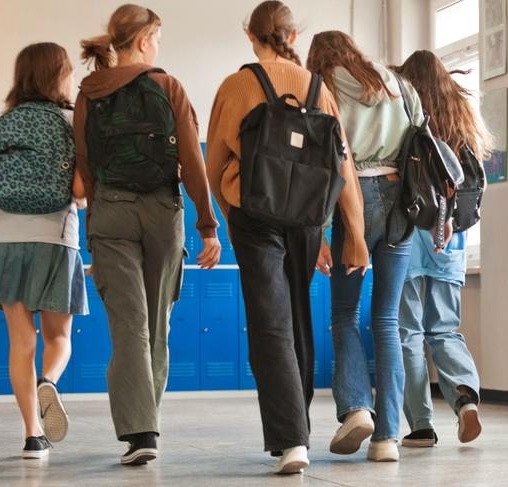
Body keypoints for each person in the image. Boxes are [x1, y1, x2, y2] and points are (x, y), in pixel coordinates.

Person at [206, 1, 369, 474]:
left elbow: (214, 161)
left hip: (254, 213)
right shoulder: (318, 88)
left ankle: (290, 440)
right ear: (293, 37)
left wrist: (225, 208)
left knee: (269, 323)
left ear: (250, 36)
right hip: (306, 217)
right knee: (298, 316)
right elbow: (343, 167)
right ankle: (297, 432)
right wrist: (353, 233)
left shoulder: (237, 85)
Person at [75, 3, 221, 465]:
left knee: (128, 326)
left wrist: (93, 230)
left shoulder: (88, 92)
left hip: (110, 214)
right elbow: (194, 166)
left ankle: (141, 433)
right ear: (144, 41)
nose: (157, 47)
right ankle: (145, 427)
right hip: (162, 210)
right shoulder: (168, 85)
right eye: (156, 38)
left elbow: (86, 167)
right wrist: (208, 225)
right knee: (156, 323)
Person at [307, 31, 423, 462]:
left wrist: (319, 232)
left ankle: (357, 408)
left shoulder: (324, 87)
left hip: (349, 203)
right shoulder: (399, 84)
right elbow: (421, 143)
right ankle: (387, 439)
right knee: (388, 320)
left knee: (343, 314)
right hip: (401, 202)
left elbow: (326, 162)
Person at [0, 42, 88, 459]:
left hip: (2, 242)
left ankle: (32, 435)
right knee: (59, 337)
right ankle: (50, 382)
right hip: (55, 240)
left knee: (21, 341)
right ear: (58, 75)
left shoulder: (0, 124)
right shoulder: (74, 122)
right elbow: (78, 192)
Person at [391, 50, 492, 447]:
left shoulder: (402, 110)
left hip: (408, 230)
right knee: (446, 329)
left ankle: (420, 426)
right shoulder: (461, 116)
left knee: (408, 333)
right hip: (450, 235)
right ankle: (465, 399)